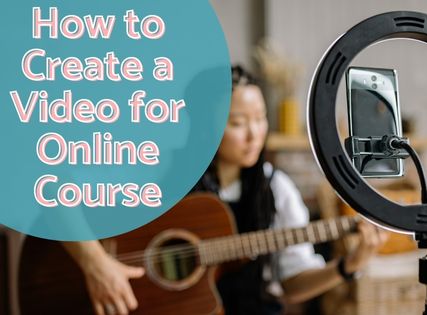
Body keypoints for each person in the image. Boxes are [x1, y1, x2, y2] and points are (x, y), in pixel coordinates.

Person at [62, 65, 387, 315]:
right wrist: (95, 263)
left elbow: (291, 285)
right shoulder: (157, 171)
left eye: (260, 119)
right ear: (205, 126)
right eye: (237, 123)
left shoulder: (277, 188)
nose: (254, 134)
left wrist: (349, 265)